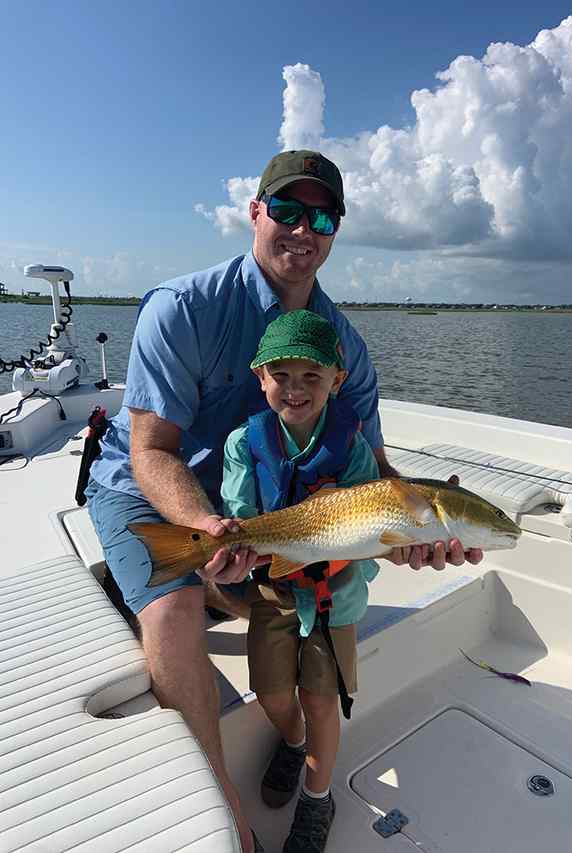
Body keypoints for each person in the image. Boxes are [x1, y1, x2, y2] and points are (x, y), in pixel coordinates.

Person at [85, 149, 483, 853]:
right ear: (254, 212)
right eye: (288, 209)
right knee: (176, 609)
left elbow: (377, 472)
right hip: (152, 489)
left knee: (295, 612)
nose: (304, 228)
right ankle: (230, 825)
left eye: (322, 215)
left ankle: (299, 746)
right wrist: (208, 526)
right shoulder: (184, 309)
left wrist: (423, 526)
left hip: (269, 517)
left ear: (334, 232)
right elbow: (150, 450)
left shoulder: (345, 348)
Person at [220, 308, 380, 852]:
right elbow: (240, 512)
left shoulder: (353, 449)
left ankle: (318, 797)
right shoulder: (244, 444)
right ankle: (291, 743)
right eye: (281, 375)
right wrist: (232, 551)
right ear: (260, 378)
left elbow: (371, 525)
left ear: (337, 381)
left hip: (336, 597)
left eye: (312, 375)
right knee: (269, 693)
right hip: (273, 587)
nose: (295, 388)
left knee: (320, 701)